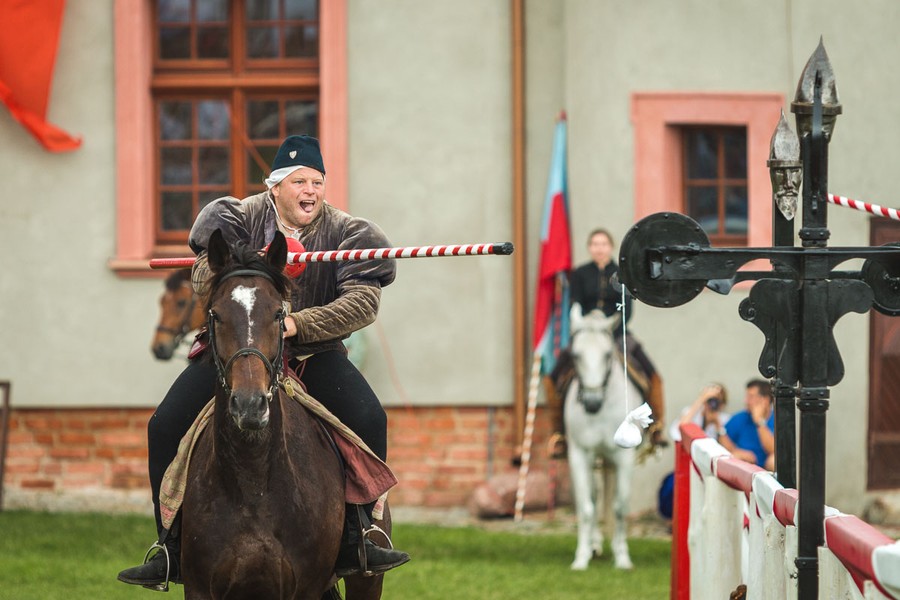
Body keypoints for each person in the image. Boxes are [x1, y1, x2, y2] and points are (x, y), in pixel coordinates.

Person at [118, 135, 410, 588]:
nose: (310, 190)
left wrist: (296, 325)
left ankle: (360, 536)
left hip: (315, 353)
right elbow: (202, 272)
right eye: (299, 181)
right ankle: (169, 545)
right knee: (163, 425)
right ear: (274, 186)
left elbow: (362, 305)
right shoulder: (239, 217)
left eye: (317, 181)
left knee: (371, 417)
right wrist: (245, 274)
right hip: (238, 351)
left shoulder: (348, 233)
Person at [545, 229, 665, 458]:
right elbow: (576, 304)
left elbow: (627, 308)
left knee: (652, 374)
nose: (599, 248)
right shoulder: (580, 274)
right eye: (594, 244)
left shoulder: (622, 273)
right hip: (586, 334)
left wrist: (611, 330)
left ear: (610, 247)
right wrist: (586, 329)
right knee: (553, 377)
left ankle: (656, 427)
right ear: (590, 248)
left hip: (616, 333)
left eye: (603, 244)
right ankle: (559, 433)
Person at [716, 379, 775, 468]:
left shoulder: (777, 419)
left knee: (773, 461)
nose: (746, 401)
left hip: (767, 472)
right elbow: (722, 444)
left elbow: (773, 450)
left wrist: (759, 421)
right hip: (743, 468)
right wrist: (737, 452)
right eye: (746, 397)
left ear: (765, 400)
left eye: (751, 397)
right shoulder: (741, 417)